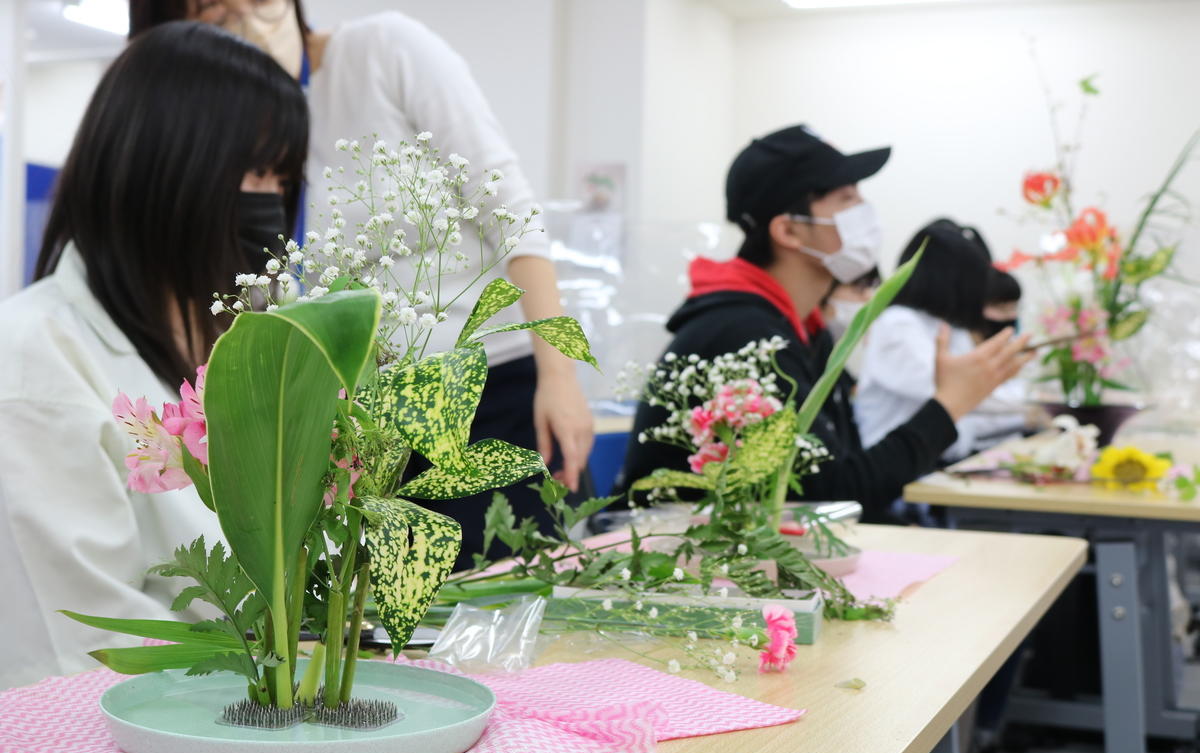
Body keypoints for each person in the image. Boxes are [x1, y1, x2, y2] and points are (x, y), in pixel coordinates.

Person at [129, 0, 595, 568]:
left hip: (489, 389)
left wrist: (559, 374)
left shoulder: (383, 50)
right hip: (367, 432)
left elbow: (511, 212)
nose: (248, 24)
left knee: (527, 593)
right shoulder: (222, 126)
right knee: (406, 636)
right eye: (217, 16)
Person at [0, 22, 307, 688]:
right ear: (162, 169)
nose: (272, 203)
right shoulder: (32, 362)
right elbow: (86, 643)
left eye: (283, 179)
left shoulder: (237, 348)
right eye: (254, 170)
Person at [617, 125, 1033, 520]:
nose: (867, 213)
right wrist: (949, 404)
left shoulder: (801, 330)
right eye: (847, 199)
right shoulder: (741, 336)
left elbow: (840, 476)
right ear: (789, 231)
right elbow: (834, 496)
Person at [855, 220, 1029, 463]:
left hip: (939, 458)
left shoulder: (946, 328)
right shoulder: (898, 325)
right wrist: (1029, 408)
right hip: (895, 468)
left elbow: (972, 404)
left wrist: (1027, 412)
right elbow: (957, 392)